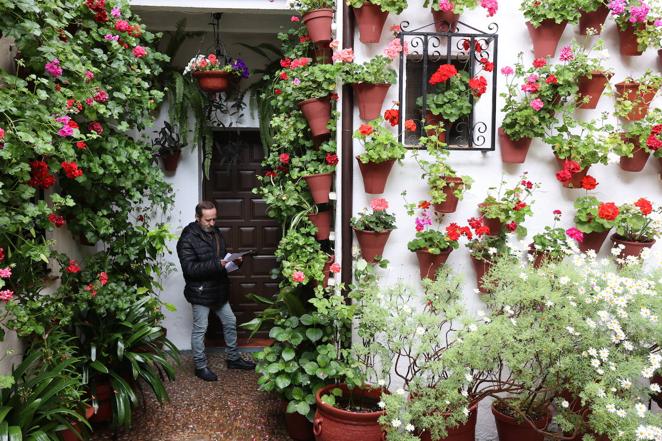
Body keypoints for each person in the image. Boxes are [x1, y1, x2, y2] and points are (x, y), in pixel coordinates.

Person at [176, 200, 256, 381]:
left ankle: (233, 359)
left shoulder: (216, 232)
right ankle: (200, 366)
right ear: (197, 218)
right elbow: (189, 269)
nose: (212, 224)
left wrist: (234, 262)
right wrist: (217, 264)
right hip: (200, 291)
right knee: (200, 329)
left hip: (219, 289)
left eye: (214, 219)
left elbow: (222, 258)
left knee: (230, 321)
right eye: (208, 220)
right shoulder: (187, 238)